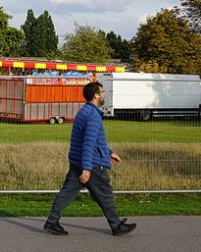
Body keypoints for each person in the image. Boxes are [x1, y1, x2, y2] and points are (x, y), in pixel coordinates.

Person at [44, 81, 137, 236]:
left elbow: (89, 141)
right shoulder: (93, 116)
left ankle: (52, 221)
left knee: (66, 193)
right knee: (105, 194)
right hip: (91, 164)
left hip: (77, 161)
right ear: (96, 95)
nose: (104, 94)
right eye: (102, 91)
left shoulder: (84, 112)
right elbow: (88, 144)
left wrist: (108, 152)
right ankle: (116, 226)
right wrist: (87, 169)